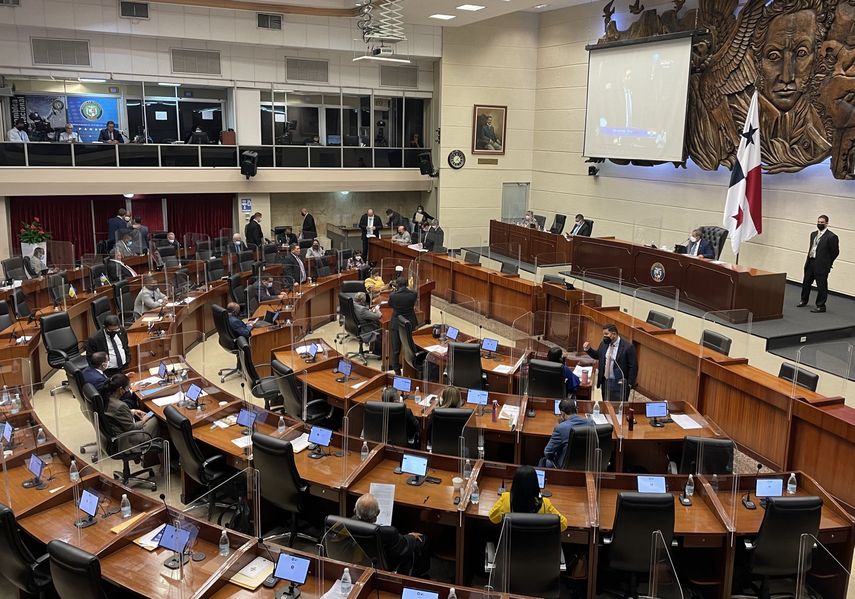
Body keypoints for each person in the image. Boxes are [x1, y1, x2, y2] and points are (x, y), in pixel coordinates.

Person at [352, 493, 430, 576]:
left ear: (355, 510)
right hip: (386, 563)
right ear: (378, 513)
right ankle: (419, 577)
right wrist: (412, 536)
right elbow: (404, 545)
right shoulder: (389, 532)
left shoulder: (347, 524)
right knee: (424, 539)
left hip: (359, 560)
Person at [488, 466, 568, 531]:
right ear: (536, 484)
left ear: (515, 483)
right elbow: (563, 524)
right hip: (537, 549)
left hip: (511, 549)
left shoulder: (506, 498)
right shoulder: (544, 503)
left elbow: (492, 518)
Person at [583, 324, 637, 402]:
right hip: (606, 381)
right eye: (603, 334)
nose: (604, 336)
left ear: (614, 334)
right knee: (605, 404)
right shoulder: (604, 344)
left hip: (619, 383)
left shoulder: (628, 347)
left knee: (618, 406)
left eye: (606, 334)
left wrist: (629, 384)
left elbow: (633, 366)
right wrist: (588, 349)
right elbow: (598, 355)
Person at [101, 374, 159, 444]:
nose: (128, 390)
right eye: (128, 388)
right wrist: (144, 419)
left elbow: (114, 413)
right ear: (121, 389)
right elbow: (132, 428)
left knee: (149, 413)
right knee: (154, 416)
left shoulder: (106, 397)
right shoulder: (120, 405)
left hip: (117, 431)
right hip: (127, 439)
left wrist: (133, 411)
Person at [799, 214, 840, 313]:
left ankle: (821, 306)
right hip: (811, 262)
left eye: (822, 222)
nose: (819, 224)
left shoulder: (832, 236)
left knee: (821, 285)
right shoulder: (813, 234)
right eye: (818, 222)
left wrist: (827, 262)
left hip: (822, 265)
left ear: (826, 223)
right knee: (806, 282)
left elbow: (835, 252)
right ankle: (804, 300)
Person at [540, 399, 589, 469]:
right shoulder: (590, 423)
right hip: (586, 465)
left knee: (543, 461)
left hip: (565, 468)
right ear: (576, 410)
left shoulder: (560, 428)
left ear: (562, 413)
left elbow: (547, 452)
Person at [389, 277, 418, 374]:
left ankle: (397, 371)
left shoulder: (393, 296)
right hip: (410, 323)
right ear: (407, 285)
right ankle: (412, 369)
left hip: (397, 323)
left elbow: (391, 305)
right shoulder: (413, 294)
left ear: (397, 285)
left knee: (396, 349)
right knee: (410, 346)